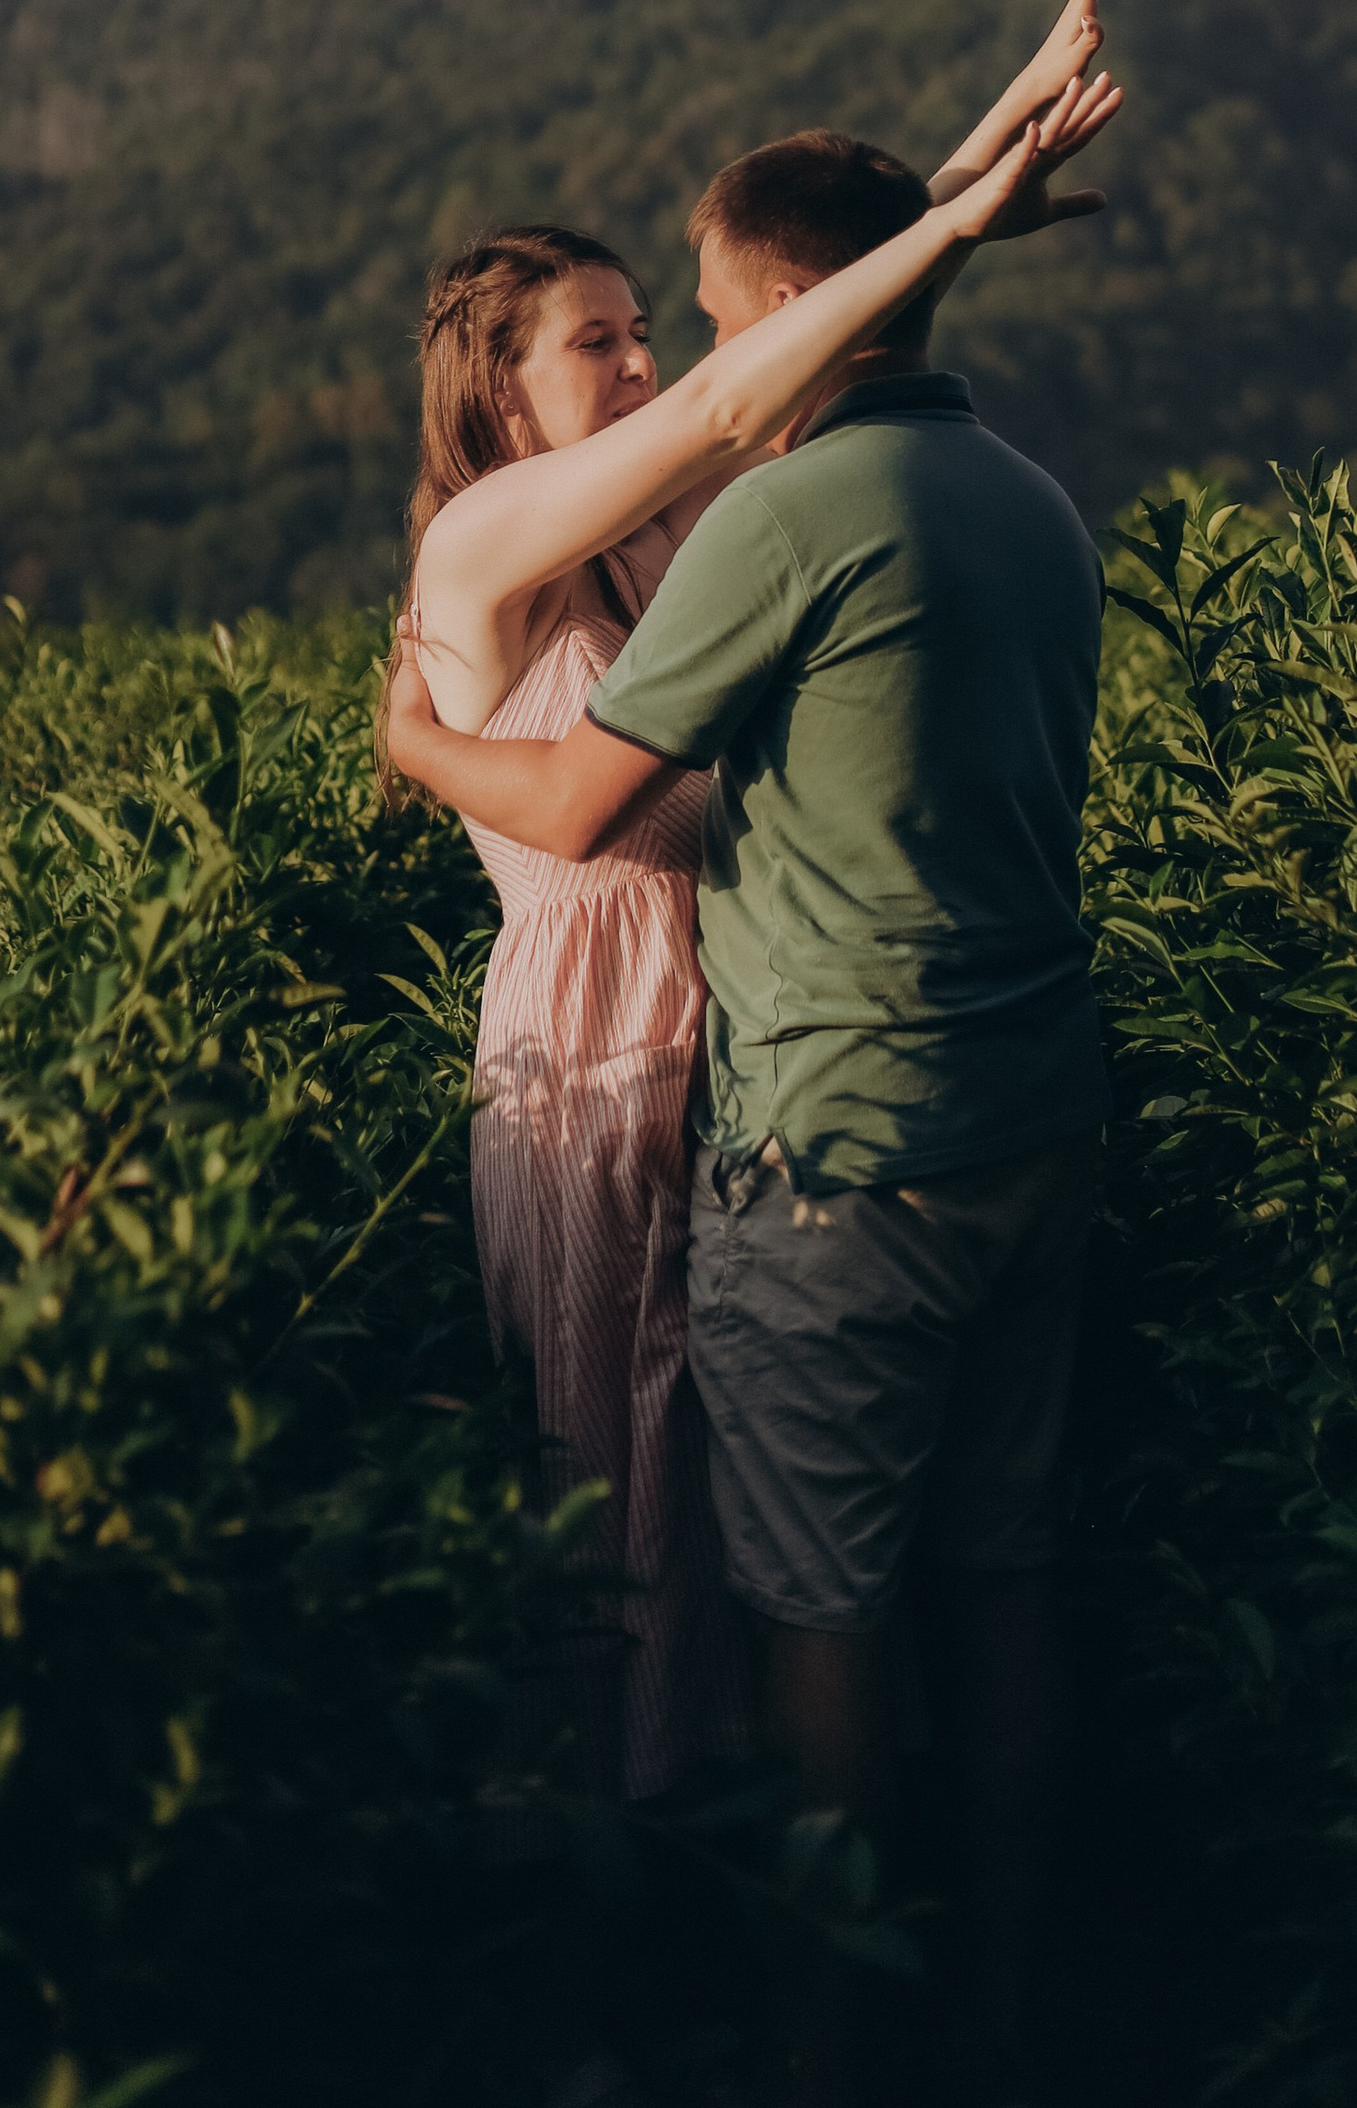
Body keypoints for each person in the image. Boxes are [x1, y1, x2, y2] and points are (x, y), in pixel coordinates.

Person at [385, 110, 1113, 2105]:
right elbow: (775, 369)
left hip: (754, 1075)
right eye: (591, 341)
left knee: (760, 1555)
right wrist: (945, 220)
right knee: (632, 1532)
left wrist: (944, 216)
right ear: (494, 389)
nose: (637, 363)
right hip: (599, 1084)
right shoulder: (480, 549)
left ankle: (782, 1980)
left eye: (645, 326)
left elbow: (801, 370)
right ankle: (654, 1972)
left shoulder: (675, 544)